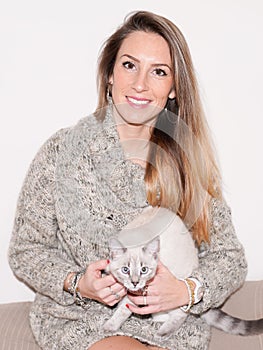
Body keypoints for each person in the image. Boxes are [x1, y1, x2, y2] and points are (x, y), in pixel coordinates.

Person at [8, 10, 247, 350]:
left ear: (174, 88)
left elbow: (229, 257)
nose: (139, 84)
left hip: (171, 327)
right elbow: (25, 251)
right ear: (109, 74)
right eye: (129, 65)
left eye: (159, 72)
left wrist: (187, 290)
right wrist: (78, 283)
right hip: (88, 321)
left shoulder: (186, 163)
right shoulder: (63, 152)